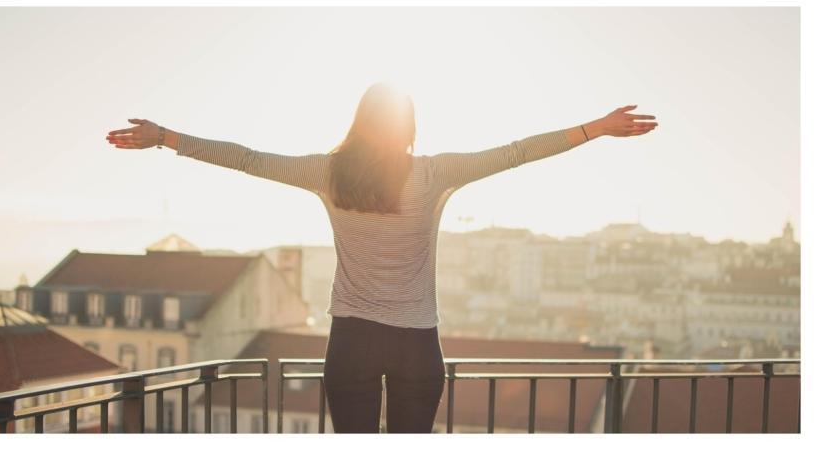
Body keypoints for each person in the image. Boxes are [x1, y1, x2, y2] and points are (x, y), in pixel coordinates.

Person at [106, 82, 658, 433]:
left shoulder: (327, 172)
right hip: (418, 342)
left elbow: (249, 160)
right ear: (410, 127)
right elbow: (514, 153)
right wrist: (594, 130)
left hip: (352, 341)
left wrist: (166, 138)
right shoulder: (435, 172)